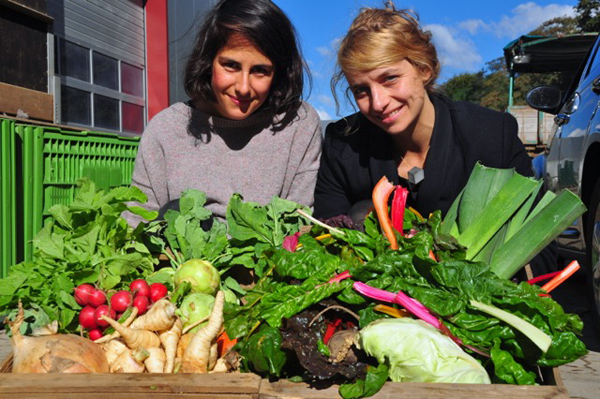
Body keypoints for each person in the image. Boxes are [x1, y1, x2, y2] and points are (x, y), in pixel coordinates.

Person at [313, 3, 556, 275]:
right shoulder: (343, 145)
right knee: (358, 213)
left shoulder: (490, 136)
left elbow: (539, 244)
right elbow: (326, 242)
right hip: (376, 302)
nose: (378, 102)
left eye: (390, 79)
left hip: (473, 301)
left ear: (424, 68)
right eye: (361, 90)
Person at [126, 0, 322, 226]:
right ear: (209, 62)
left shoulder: (298, 124)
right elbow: (139, 222)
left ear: (278, 73)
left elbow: (298, 223)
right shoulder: (165, 129)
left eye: (260, 70)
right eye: (231, 65)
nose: (243, 87)